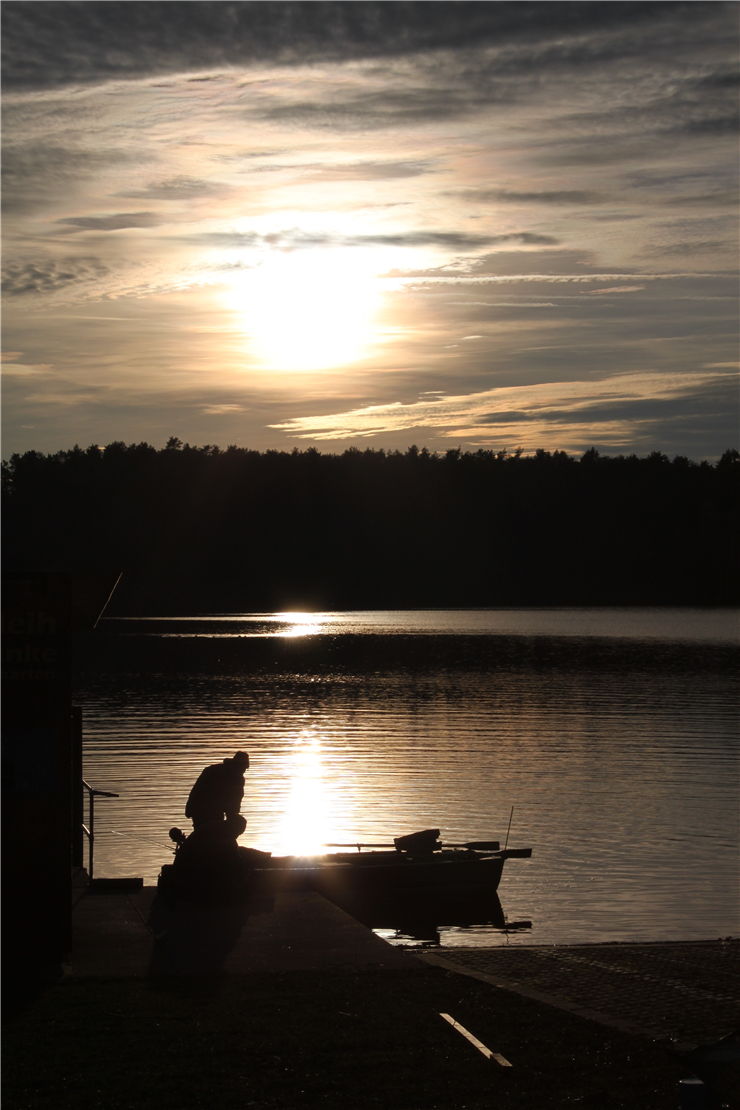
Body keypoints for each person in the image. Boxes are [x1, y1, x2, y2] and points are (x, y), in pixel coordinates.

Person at [185, 751, 249, 831]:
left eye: (245, 769)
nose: (243, 771)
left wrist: (233, 817)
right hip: (204, 811)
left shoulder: (212, 770)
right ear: (237, 765)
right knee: (209, 835)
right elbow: (197, 790)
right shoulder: (214, 772)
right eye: (243, 768)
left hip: (210, 812)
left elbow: (235, 801)